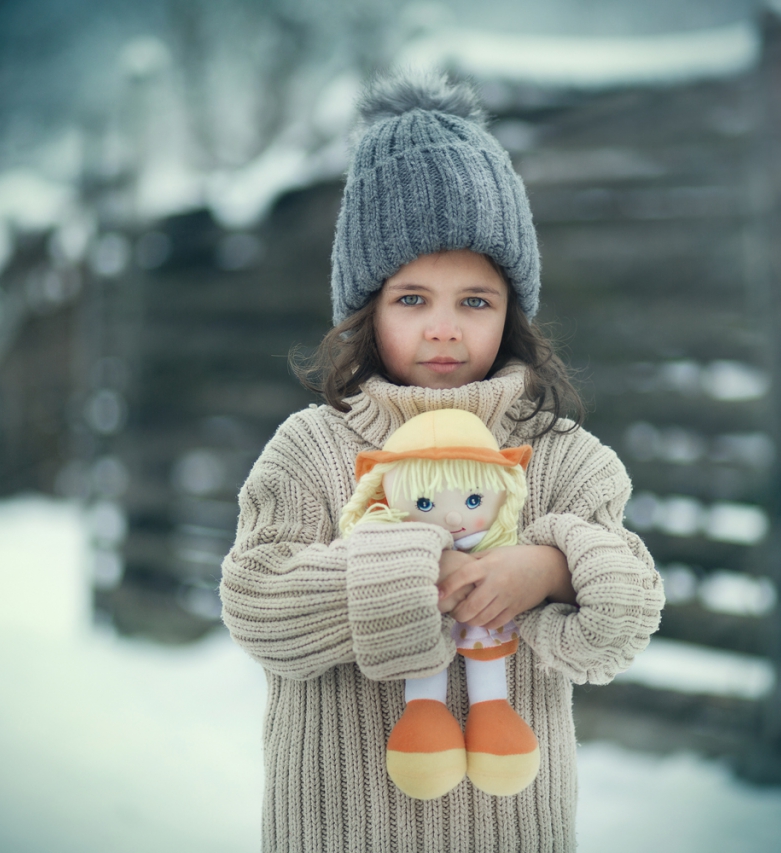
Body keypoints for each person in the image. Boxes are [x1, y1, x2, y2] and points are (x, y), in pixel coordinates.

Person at [220, 69, 663, 853]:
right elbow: (257, 603)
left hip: (513, 833)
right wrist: (405, 573)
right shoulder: (312, 448)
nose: (445, 330)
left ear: (511, 312)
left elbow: (627, 614)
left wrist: (551, 568)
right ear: (366, 309)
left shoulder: (560, 456)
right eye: (412, 299)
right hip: (337, 830)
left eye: (476, 300)